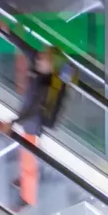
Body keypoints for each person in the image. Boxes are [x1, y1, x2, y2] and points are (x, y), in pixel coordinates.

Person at [10, 41, 67, 206]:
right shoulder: (41, 72)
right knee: (25, 157)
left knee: (28, 162)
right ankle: (24, 182)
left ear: (52, 67)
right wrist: (8, 33)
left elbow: (33, 109)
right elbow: (29, 50)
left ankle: (27, 198)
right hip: (30, 124)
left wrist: (13, 122)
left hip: (33, 125)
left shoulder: (45, 86)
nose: (39, 59)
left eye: (45, 58)